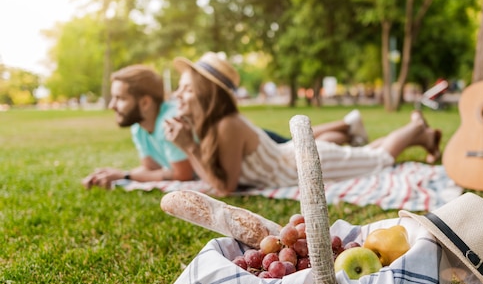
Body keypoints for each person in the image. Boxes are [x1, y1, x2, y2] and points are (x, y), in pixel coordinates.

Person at [164, 52, 442, 196]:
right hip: (296, 160)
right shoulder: (216, 125)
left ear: (206, 94)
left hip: (306, 166)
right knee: (365, 154)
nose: (178, 94)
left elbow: (225, 188)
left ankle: (416, 128)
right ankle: (425, 138)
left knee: (378, 159)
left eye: (186, 89)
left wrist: (189, 147)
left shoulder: (227, 125)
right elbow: (218, 178)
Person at [82, 64, 369, 190]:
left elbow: (198, 178)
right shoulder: (143, 127)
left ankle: (351, 127)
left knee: (320, 146)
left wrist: (127, 174)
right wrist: (124, 175)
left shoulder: (183, 121)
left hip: (267, 156)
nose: (176, 96)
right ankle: (348, 129)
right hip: (266, 156)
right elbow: (156, 169)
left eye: (119, 98)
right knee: (318, 146)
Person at [82, 65, 195, 190]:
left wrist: (125, 175)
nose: (111, 105)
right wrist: (114, 175)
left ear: (145, 102)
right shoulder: (138, 127)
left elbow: (183, 174)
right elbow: (151, 167)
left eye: (120, 98)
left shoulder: (170, 121)